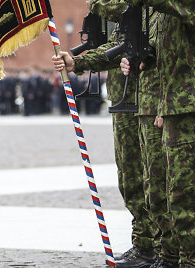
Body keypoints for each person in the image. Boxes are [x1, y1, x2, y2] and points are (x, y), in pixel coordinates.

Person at [52, 1, 158, 266]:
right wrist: (75, 61)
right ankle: (144, 244)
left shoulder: (147, 11)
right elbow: (110, 51)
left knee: (154, 181)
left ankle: (163, 246)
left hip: (150, 102)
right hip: (125, 106)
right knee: (130, 179)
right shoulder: (128, 20)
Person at [120, 1, 195, 266]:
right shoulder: (157, 14)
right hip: (169, 106)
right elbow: (164, 53)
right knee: (169, 192)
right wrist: (139, 59)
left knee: (185, 196)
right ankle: (173, 258)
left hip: (187, 107)